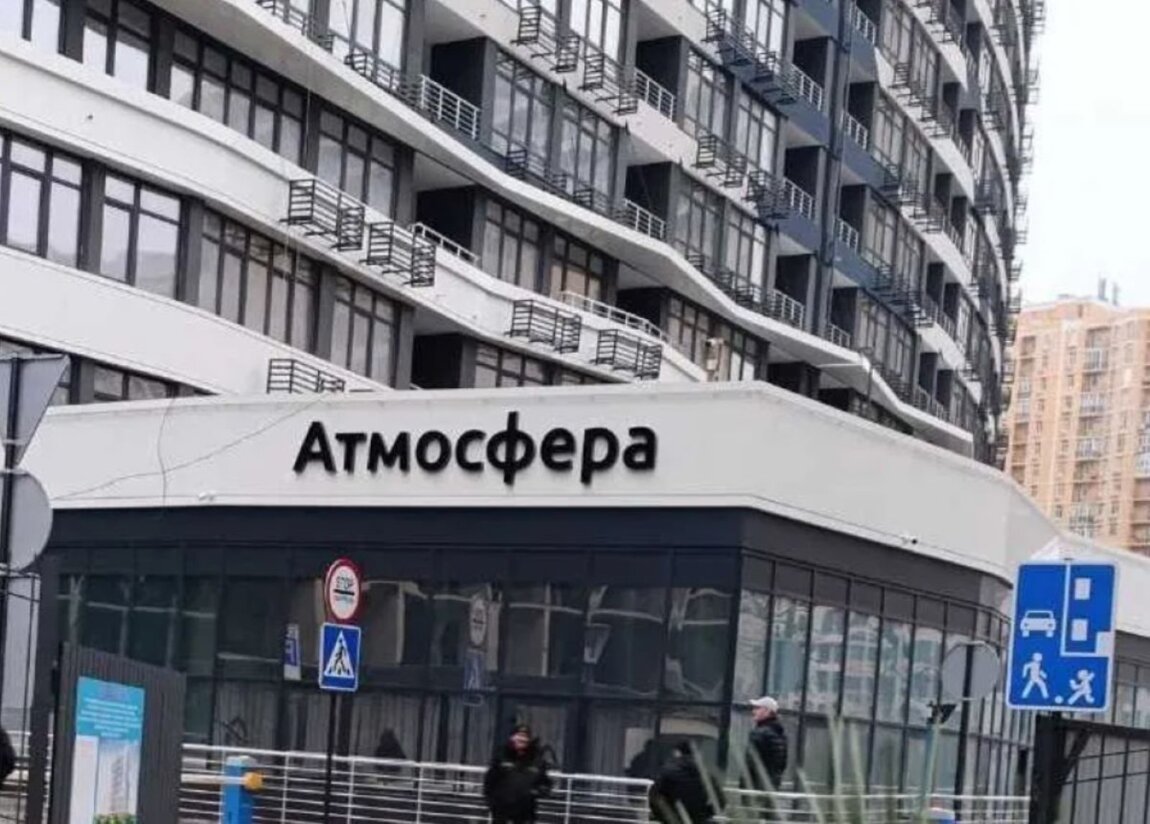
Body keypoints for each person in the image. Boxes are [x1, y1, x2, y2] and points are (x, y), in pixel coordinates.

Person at [484, 723, 552, 824]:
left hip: (525, 812)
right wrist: (491, 803)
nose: (522, 739)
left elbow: (545, 782)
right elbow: (489, 781)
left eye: (525, 737)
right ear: (512, 738)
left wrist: (540, 790)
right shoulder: (502, 755)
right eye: (519, 736)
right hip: (502, 811)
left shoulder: (536, 760)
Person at [648, 742, 718, 824]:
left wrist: (663, 817)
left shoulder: (667, 772)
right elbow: (719, 800)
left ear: (678, 753)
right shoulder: (706, 774)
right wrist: (706, 813)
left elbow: (654, 797)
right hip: (699, 819)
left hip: (673, 818)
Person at [745, 696, 787, 791]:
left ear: (767, 711)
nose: (753, 711)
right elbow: (782, 765)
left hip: (755, 787)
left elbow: (750, 764)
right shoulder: (780, 735)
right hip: (772, 786)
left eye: (758, 708)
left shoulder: (759, 734)